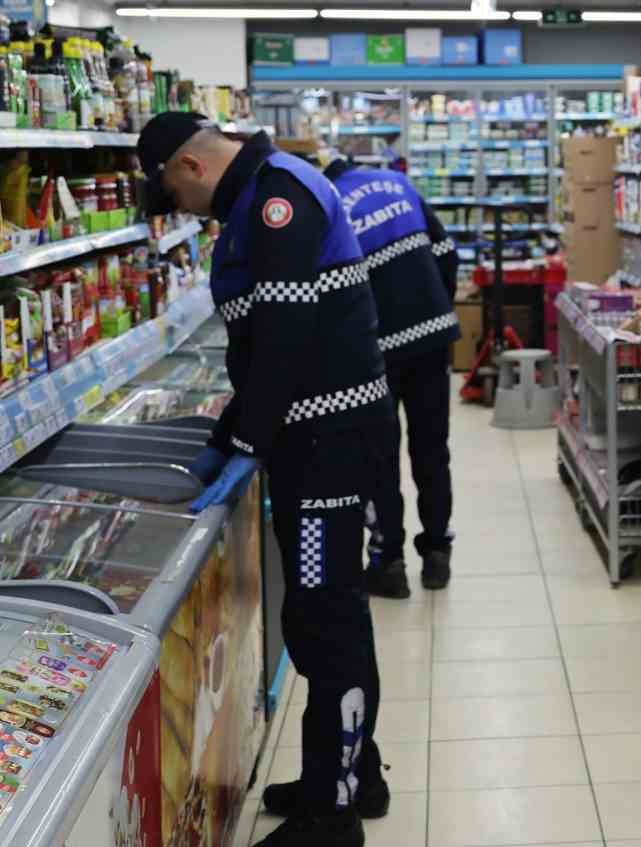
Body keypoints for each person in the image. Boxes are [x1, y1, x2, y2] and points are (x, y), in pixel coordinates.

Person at [139, 113, 391, 847]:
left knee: (326, 620)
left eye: (169, 194)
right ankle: (349, 773)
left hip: (329, 445)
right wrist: (230, 433)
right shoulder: (256, 196)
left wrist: (247, 437)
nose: (176, 211)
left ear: (189, 165)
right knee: (324, 615)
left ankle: (334, 815)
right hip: (309, 439)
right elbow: (263, 348)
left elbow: (284, 337)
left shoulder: (279, 196)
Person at [323, 157, 461, 597]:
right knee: (432, 449)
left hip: (375, 352)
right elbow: (446, 253)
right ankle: (438, 553)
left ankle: (390, 564)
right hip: (431, 338)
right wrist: (436, 308)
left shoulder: (330, 204)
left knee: (379, 459)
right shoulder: (398, 183)